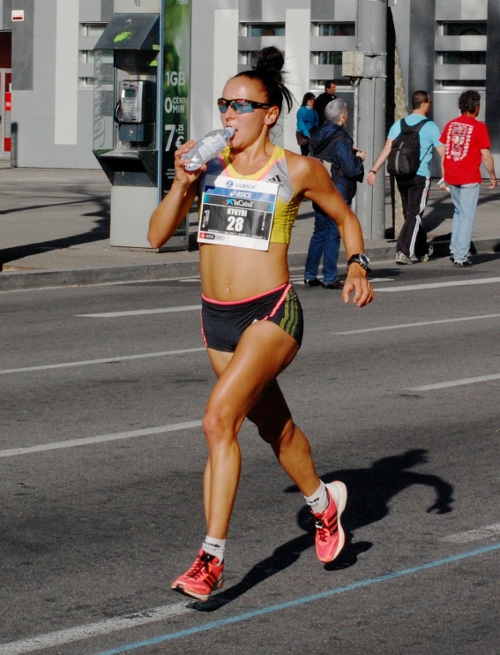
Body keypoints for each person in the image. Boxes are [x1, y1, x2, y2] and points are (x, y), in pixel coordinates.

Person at [147, 46, 374, 603]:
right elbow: (155, 238)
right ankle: (325, 505)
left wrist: (356, 264)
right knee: (274, 428)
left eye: (242, 106)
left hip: (272, 312)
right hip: (215, 320)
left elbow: (344, 216)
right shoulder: (210, 166)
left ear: (270, 113)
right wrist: (180, 183)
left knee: (217, 421)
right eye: (224, 104)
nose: (229, 116)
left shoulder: (296, 169)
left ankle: (210, 558)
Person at [366, 91, 443, 265]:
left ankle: (422, 251)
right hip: (420, 176)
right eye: (429, 102)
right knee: (415, 214)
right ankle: (403, 251)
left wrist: (374, 170)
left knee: (411, 214)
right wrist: (446, 176)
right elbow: (442, 153)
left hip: (400, 174)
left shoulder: (399, 124)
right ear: (424, 104)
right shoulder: (430, 126)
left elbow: (387, 149)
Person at [304, 98, 366, 289]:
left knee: (319, 231)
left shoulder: (317, 135)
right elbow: (352, 169)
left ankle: (309, 274)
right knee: (333, 232)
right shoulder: (340, 138)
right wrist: (358, 158)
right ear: (342, 117)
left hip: (319, 187)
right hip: (337, 189)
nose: (347, 115)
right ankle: (330, 276)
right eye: (346, 112)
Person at [439, 89, 497, 267]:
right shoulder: (479, 127)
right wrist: (493, 176)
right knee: (467, 216)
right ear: (476, 107)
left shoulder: (451, 125)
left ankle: (454, 248)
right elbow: (485, 155)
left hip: (452, 173)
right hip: (469, 175)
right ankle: (461, 256)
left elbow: (445, 150)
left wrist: (444, 173)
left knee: (458, 212)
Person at [296, 92, 319, 156]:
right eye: (310, 99)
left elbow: (316, 121)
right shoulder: (302, 110)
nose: (312, 101)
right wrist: (307, 133)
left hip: (312, 133)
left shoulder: (314, 111)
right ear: (306, 100)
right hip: (303, 134)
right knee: (305, 153)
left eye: (313, 99)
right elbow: (301, 122)